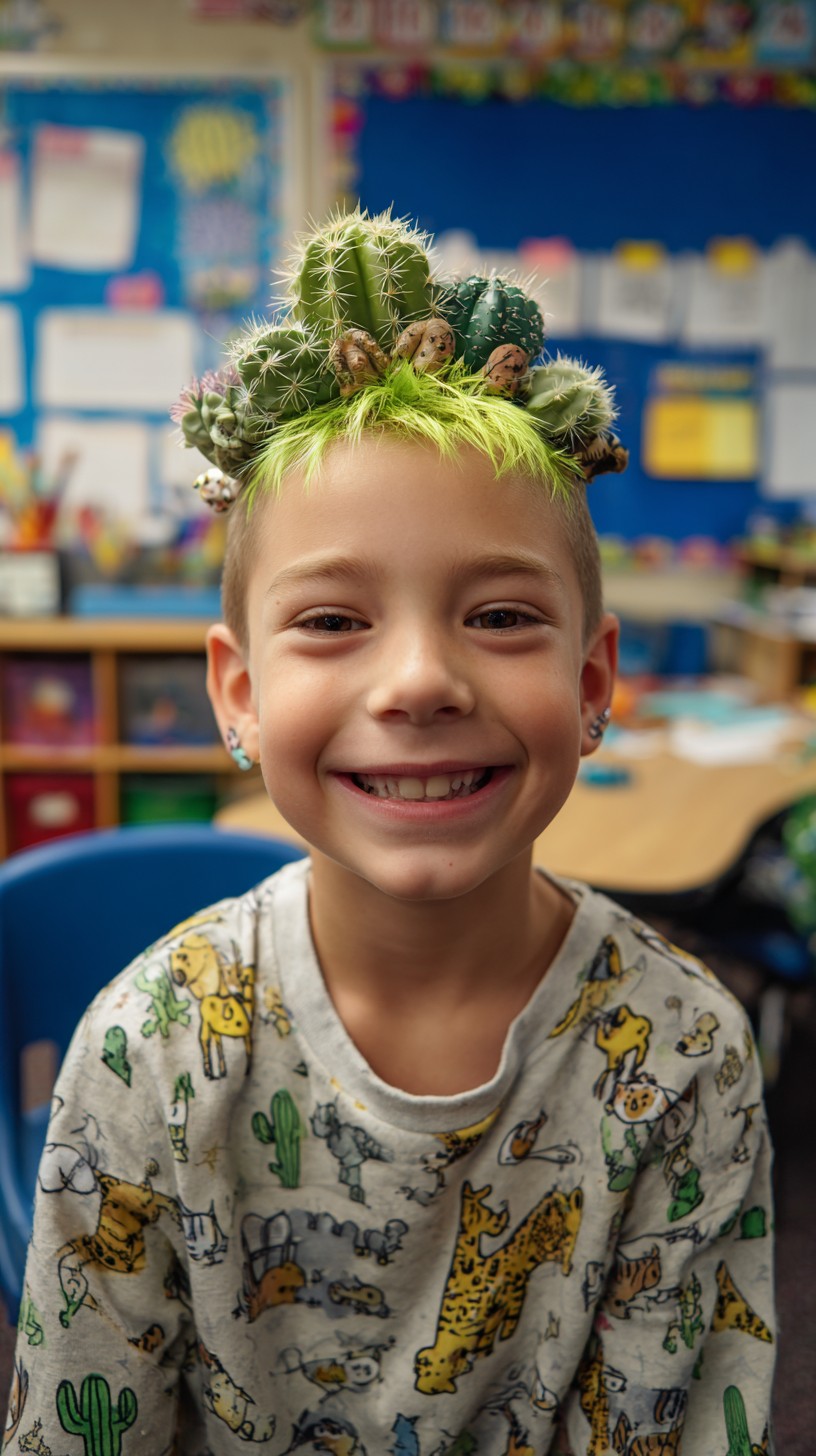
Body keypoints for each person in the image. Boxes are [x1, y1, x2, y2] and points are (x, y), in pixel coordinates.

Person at [5, 210, 775, 1456]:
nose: (419, 681)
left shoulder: (688, 1056)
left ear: (593, 686)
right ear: (240, 692)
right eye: (331, 621)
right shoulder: (145, 1050)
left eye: (504, 614)